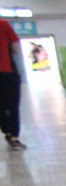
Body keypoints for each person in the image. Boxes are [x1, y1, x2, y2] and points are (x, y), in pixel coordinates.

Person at [0, 17, 24, 150]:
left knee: (1, 106)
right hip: (7, 71)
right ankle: (14, 138)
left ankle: (7, 132)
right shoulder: (3, 24)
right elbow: (16, 49)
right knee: (13, 105)